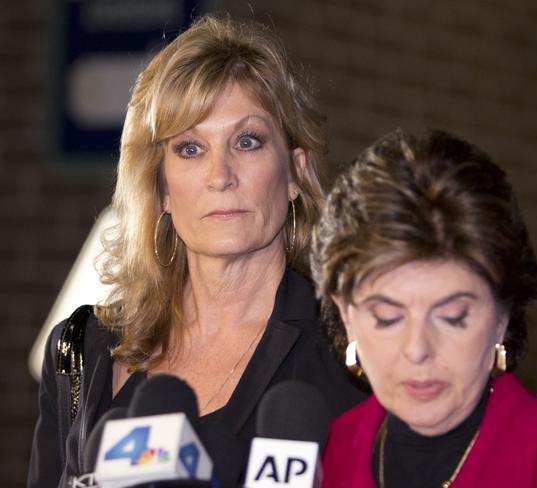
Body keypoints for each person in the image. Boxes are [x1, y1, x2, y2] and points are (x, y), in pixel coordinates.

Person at [28, 15, 364, 488]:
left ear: (294, 173)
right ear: (161, 187)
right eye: (190, 148)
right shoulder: (82, 348)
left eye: (247, 142)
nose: (220, 175)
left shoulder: (350, 352)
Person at [310, 128, 537, 487]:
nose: (417, 350)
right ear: (346, 315)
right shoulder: (318, 461)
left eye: (453, 317)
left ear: (503, 316)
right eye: (387, 317)